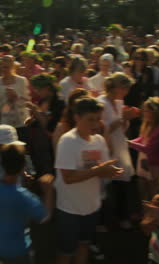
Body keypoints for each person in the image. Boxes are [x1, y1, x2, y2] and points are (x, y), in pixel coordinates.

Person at [55, 97, 123, 264]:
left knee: (84, 245)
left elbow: (102, 169)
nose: (95, 124)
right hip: (70, 209)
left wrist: (109, 171)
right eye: (90, 119)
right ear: (77, 118)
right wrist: (100, 170)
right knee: (66, 252)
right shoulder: (68, 141)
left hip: (92, 207)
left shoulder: (99, 140)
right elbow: (68, 177)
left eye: (98, 119)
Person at [0, 144, 53, 264]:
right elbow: (44, 217)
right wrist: (48, 191)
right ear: (23, 167)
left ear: (1, 164)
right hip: (19, 251)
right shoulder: (24, 196)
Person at [97, 73, 139, 229]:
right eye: (125, 88)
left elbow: (122, 128)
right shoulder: (101, 103)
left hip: (119, 145)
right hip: (107, 147)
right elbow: (102, 128)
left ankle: (122, 216)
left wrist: (126, 118)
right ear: (117, 88)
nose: (127, 92)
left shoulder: (119, 102)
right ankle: (102, 220)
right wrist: (122, 118)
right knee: (105, 186)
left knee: (121, 183)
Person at [128, 97, 159, 201]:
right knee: (143, 190)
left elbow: (149, 149)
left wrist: (130, 144)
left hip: (153, 166)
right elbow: (142, 138)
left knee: (153, 192)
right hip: (143, 162)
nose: (144, 113)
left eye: (147, 111)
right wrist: (130, 142)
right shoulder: (147, 125)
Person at [25, 73, 65, 175]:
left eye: (38, 89)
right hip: (38, 145)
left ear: (47, 88)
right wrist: (31, 119)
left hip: (49, 147)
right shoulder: (43, 99)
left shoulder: (59, 103)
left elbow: (49, 127)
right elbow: (40, 115)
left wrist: (34, 109)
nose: (36, 92)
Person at [0, 55, 31, 141]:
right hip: (6, 121)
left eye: (7, 67)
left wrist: (16, 97)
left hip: (21, 120)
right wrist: (8, 101)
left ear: (13, 66)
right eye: (3, 67)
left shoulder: (21, 80)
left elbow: (27, 100)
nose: (5, 69)